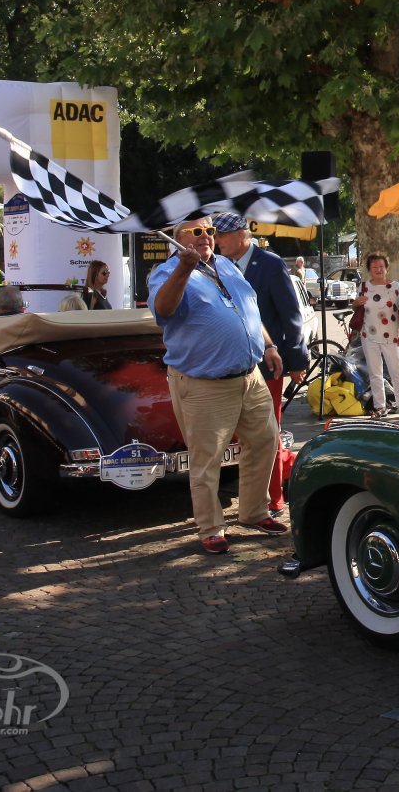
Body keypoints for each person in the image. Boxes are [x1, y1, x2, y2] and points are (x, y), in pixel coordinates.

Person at [150, 217, 288, 555]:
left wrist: (269, 345)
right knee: (207, 459)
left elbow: (249, 310)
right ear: (177, 238)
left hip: (249, 376)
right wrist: (185, 269)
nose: (206, 237)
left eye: (210, 231)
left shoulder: (226, 264)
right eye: (197, 232)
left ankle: (254, 511)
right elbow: (163, 310)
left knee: (265, 441)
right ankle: (211, 528)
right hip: (204, 383)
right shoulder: (166, 272)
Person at [211, 213, 308, 426]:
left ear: (240, 235)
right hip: (232, 365)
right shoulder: (220, 265)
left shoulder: (271, 264)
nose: (216, 241)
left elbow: (290, 315)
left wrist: (297, 360)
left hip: (268, 364)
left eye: (221, 235)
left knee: (267, 428)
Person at [352, 253, 399, 418]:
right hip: (368, 335)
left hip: (392, 335)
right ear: (369, 270)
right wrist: (356, 303)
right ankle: (380, 407)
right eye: (374, 267)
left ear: (387, 268)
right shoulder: (364, 286)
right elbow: (355, 308)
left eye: (381, 266)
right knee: (374, 372)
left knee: (396, 371)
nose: (378, 270)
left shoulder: (395, 287)